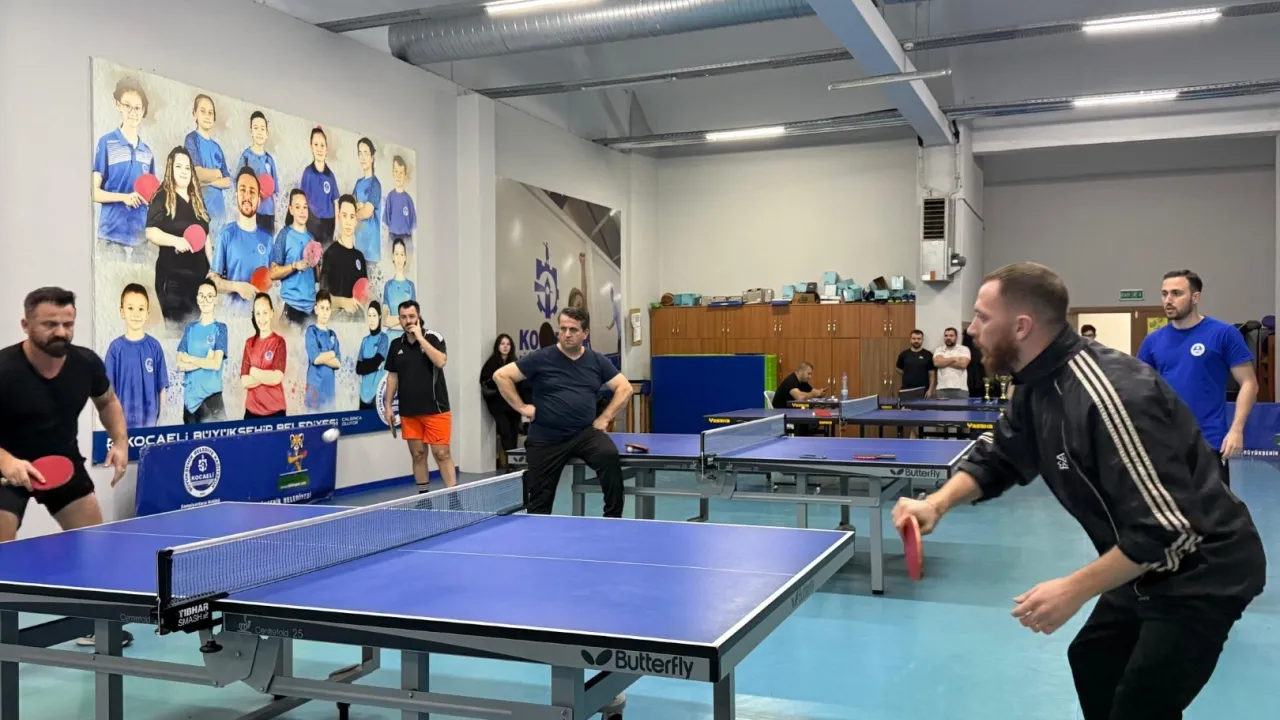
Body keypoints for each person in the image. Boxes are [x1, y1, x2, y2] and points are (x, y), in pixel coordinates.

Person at [893, 262, 1265, 720]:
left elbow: (1164, 529)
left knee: (1141, 705)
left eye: (983, 318)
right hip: (1147, 561)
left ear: (1022, 326)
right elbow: (1002, 455)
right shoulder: (1034, 384)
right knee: (1093, 658)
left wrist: (1073, 589)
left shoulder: (1109, 396)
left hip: (1202, 569)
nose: (971, 330)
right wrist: (936, 503)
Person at [0, 288, 131, 644]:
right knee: (1, 552)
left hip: (62, 465)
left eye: (67, 323)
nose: (61, 331)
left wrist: (120, 443)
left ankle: (98, 628)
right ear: (25, 325)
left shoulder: (85, 364)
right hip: (5, 470)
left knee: (94, 546)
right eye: (50, 324)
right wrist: (7, 461)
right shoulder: (4, 369)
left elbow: (108, 402)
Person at [492, 306, 632, 518]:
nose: (567, 334)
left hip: (584, 434)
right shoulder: (541, 358)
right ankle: (538, 528)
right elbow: (501, 376)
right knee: (539, 503)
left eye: (573, 329)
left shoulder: (596, 361)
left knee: (609, 456)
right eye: (563, 328)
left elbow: (625, 388)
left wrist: (605, 418)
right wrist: (522, 408)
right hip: (546, 437)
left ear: (585, 333)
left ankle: (613, 518)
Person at [1137, 270, 1257, 487]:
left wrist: (1236, 429)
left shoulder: (1223, 334)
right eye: (1164, 294)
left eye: (1176, 293)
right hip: (1165, 444)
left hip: (1208, 442)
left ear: (1195, 297)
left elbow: (1249, 383)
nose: (1168, 300)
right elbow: (1140, 390)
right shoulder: (1152, 341)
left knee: (1215, 508)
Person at [383, 300, 456, 491]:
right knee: (418, 454)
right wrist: (388, 406)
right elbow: (392, 377)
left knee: (442, 454)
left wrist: (421, 339)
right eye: (404, 317)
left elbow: (441, 361)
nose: (408, 321)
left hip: (436, 408)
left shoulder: (433, 338)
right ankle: (424, 498)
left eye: (412, 316)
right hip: (409, 411)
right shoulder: (395, 345)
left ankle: (454, 498)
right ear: (399, 320)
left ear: (419, 317)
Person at [240, 293, 287, 419]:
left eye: (265, 312)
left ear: (271, 313)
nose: (261, 318)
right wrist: (267, 376)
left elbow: (277, 378)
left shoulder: (279, 342)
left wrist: (253, 371)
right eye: (258, 313)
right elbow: (244, 381)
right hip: (251, 412)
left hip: (275, 412)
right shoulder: (249, 343)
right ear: (254, 315)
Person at [480, 334, 523, 468]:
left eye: (508, 344)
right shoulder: (491, 363)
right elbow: (484, 383)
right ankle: (512, 464)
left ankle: (514, 464)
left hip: (513, 404)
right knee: (505, 431)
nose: (505, 346)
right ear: (497, 346)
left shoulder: (515, 363)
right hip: (497, 404)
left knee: (514, 432)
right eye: (502, 344)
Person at [932, 327, 971, 399]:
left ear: (956, 337)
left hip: (961, 389)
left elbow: (963, 364)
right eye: (946, 335)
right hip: (941, 388)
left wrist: (944, 361)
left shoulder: (964, 349)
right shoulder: (939, 350)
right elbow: (937, 363)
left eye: (951, 335)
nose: (948, 338)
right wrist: (954, 359)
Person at [896, 329, 935, 397]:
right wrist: (908, 373)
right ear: (910, 340)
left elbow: (932, 374)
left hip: (923, 390)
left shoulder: (928, 355)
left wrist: (930, 389)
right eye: (914, 338)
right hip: (906, 389)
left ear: (922, 340)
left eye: (919, 339)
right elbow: (898, 369)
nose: (916, 341)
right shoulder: (903, 354)